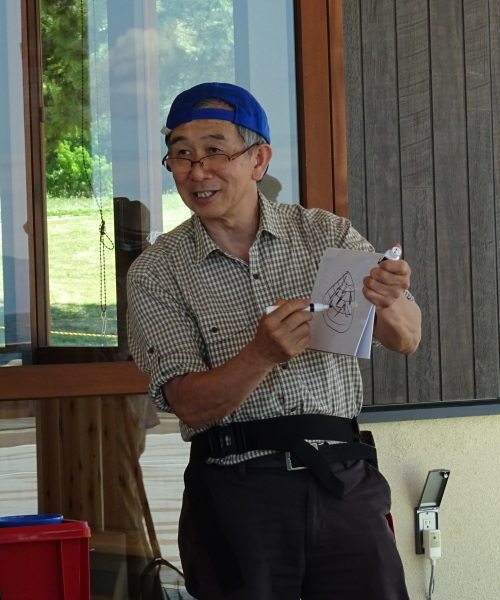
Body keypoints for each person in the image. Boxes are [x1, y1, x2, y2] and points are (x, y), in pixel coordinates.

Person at [127, 82, 421, 600]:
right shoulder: (159, 270)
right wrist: (259, 355)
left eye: (215, 151)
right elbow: (188, 405)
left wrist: (389, 298)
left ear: (259, 159)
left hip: (341, 480)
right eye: (181, 155)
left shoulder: (326, 234)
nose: (198, 171)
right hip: (234, 491)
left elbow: (407, 339)